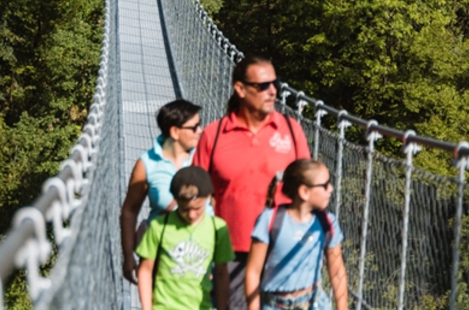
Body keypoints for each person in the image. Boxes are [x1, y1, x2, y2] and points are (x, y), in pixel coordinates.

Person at [193, 56, 311, 310]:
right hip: (234, 251)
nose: (273, 91)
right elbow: (195, 196)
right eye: (263, 85)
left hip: (285, 249)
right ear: (240, 89)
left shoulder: (291, 130)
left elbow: (309, 190)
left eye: (275, 83)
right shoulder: (214, 136)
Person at [245, 160, 348, 310]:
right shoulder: (270, 221)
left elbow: (337, 271)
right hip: (275, 305)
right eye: (325, 185)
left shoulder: (327, 223)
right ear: (304, 192)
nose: (331, 189)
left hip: (315, 304)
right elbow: (253, 271)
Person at [122, 99, 205, 282]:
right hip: (159, 258)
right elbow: (129, 210)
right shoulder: (147, 164)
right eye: (194, 127)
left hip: (199, 257)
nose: (200, 131)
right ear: (175, 132)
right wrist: (128, 256)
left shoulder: (204, 158)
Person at [136, 166, 235, 310]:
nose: (191, 215)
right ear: (175, 199)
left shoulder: (217, 229)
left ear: (208, 198)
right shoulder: (160, 226)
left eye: (197, 208)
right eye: (184, 209)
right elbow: (145, 269)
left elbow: (221, 273)